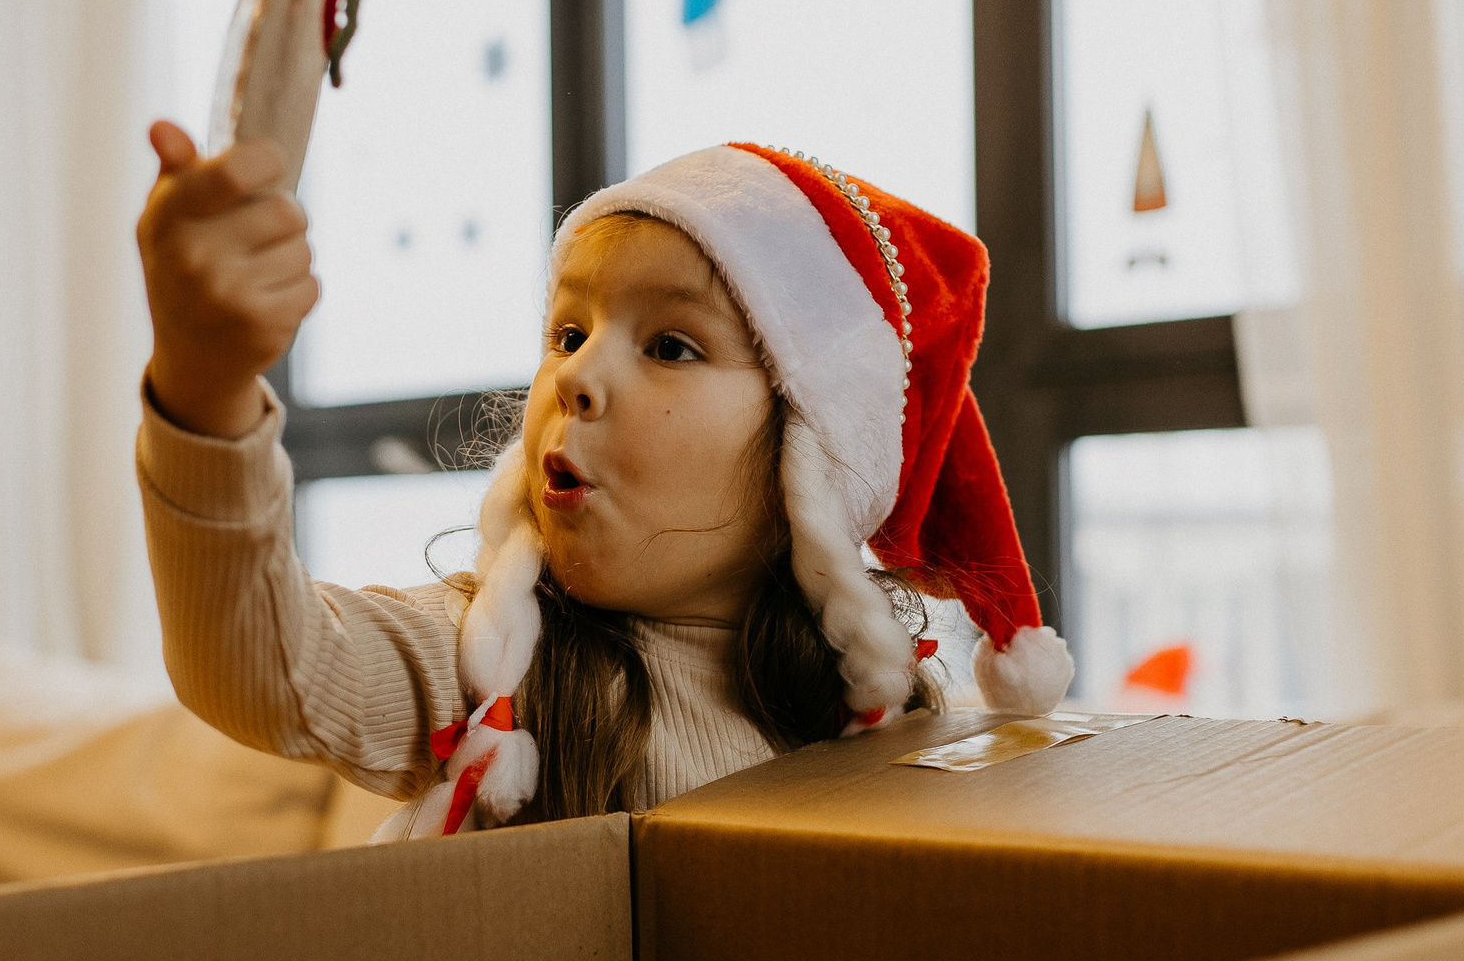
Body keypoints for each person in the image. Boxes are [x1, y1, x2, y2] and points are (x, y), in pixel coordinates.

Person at [135, 128, 1074, 838]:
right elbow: (257, 665)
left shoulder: (882, 722)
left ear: (812, 468)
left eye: (669, 345)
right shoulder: (487, 663)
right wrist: (204, 383)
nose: (575, 376)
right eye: (568, 332)